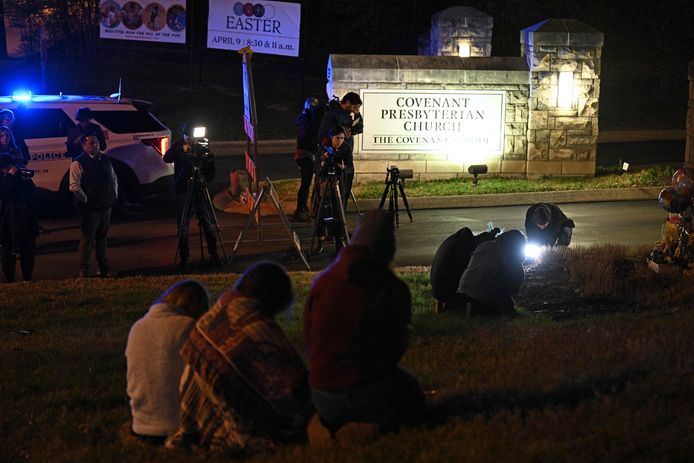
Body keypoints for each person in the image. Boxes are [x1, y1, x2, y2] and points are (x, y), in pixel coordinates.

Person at [166, 261, 312, 454]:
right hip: (241, 433)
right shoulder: (258, 330)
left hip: (200, 422)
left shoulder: (211, 317)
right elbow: (294, 398)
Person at [304, 209, 425, 435]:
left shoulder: (323, 282)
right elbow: (395, 348)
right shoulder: (391, 288)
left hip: (322, 396)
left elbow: (309, 338)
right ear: (388, 247)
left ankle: (333, 426)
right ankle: (371, 428)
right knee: (412, 393)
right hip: (369, 393)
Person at [125, 280, 210, 444]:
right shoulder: (190, 327)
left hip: (142, 427)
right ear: (193, 302)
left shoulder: (137, 328)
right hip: (182, 428)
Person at [163, 122, 219, 271]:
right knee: (183, 227)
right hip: (184, 191)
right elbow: (166, 158)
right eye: (189, 136)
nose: (192, 139)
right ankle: (184, 258)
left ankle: (214, 255)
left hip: (199, 190)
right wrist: (182, 150)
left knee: (208, 224)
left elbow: (210, 170)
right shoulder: (178, 147)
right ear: (184, 135)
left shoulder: (201, 148)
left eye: (193, 137)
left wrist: (206, 175)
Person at [69, 133, 118, 278]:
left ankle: (103, 267)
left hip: (105, 205)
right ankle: (84, 270)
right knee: (87, 239)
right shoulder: (78, 163)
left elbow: (113, 178)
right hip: (90, 209)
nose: (95, 145)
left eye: (96, 142)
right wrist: (86, 200)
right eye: (91, 143)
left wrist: (114, 195)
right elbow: (74, 186)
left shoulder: (105, 159)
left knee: (102, 238)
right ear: (83, 146)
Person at [430, 226, 499, 313]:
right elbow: (465, 276)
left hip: (437, 287)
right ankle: (454, 307)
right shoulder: (466, 248)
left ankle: (445, 305)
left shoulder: (460, 240)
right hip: (444, 289)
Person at [0, 126, 39, 282]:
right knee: (8, 250)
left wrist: (25, 180)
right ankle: (10, 281)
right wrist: (8, 177)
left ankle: (27, 280)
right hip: (6, 217)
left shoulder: (18, 164)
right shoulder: (4, 176)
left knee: (28, 250)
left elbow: (31, 192)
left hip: (25, 215)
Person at [457, 229, 526, 316]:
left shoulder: (484, 245)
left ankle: (470, 309)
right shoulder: (508, 256)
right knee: (508, 304)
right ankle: (482, 311)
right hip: (483, 297)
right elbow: (513, 289)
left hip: (463, 293)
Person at [317, 92, 362, 209]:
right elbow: (349, 125)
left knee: (346, 184)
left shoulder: (346, 115)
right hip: (333, 154)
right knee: (330, 189)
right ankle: (327, 213)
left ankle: (342, 211)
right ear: (347, 102)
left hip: (345, 154)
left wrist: (357, 116)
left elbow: (359, 128)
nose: (355, 110)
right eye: (354, 107)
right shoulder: (335, 112)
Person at [312, 126, 351, 255]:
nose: (339, 141)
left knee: (338, 213)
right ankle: (319, 242)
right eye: (337, 138)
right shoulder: (324, 148)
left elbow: (350, 168)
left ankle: (339, 243)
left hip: (338, 182)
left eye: (342, 138)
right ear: (331, 137)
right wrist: (324, 162)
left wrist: (344, 168)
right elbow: (317, 167)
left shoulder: (346, 148)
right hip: (324, 183)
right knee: (321, 211)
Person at [293, 97, 322, 222]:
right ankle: (300, 210)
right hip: (305, 154)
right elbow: (307, 134)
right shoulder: (305, 119)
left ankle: (303, 208)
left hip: (307, 153)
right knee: (306, 183)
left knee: (308, 183)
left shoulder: (305, 118)